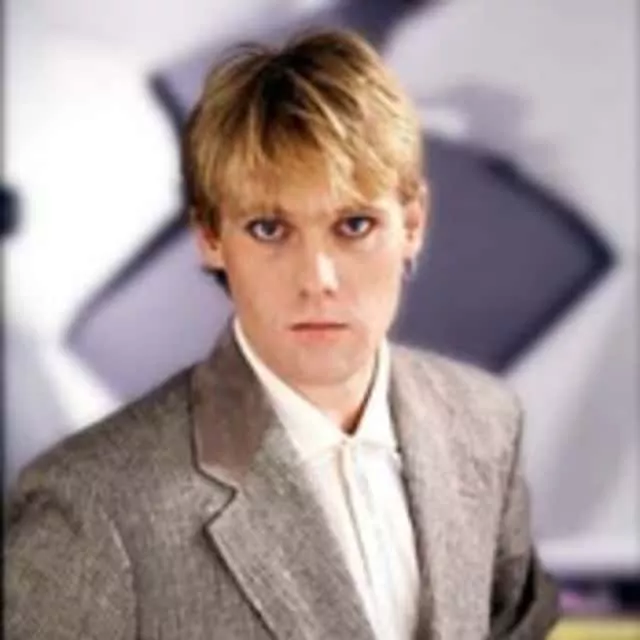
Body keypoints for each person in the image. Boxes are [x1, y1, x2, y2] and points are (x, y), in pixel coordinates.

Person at [5, 29, 559, 639]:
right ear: (211, 238)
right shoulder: (92, 504)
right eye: (270, 229)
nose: (317, 279)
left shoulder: (486, 425)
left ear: (412, 225)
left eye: (354, 224)